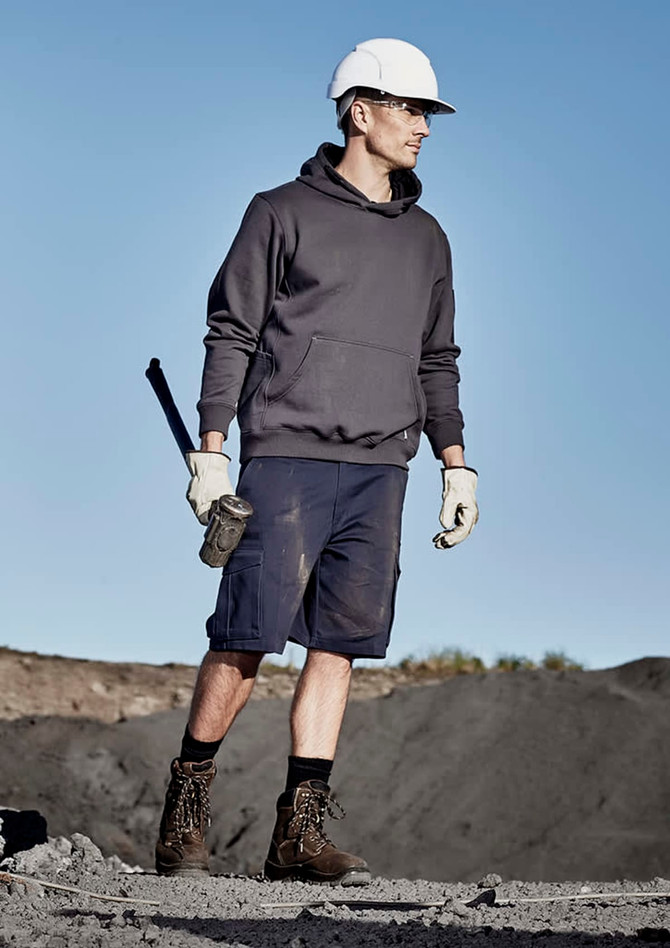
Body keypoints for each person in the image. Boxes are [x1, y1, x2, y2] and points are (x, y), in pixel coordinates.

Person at [155, 37, 479, 886]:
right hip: (287, 454)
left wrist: (456, 463)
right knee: (246, 637)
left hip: (383, 467)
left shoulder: (429, 239)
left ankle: (297, 835)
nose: (424, 127)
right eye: (412, 109)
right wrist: (212, 452)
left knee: (337, 645)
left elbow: (436, 359)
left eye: (428, 113)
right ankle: (185, 807)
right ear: (360, 111)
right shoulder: (278, 212)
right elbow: (231, 331)